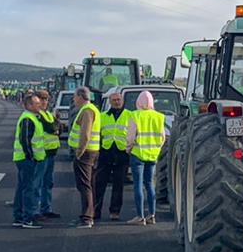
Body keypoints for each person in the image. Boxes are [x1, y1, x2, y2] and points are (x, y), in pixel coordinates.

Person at [125, 90, 169, 225]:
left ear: (138, 102)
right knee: (150, 184)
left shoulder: (135, 115)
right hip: (152, 156)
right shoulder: (159, 117)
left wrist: (129, 148)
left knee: (138, 185)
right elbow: (162, 137)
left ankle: (140, 217)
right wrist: (156, 149)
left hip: (138, 154)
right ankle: (152, 215)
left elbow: (131, 137)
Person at [94, 89, 132, 221]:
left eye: (119, 100)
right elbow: (97, 134)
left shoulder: (130, 116)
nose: (117, 102)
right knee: (99, 183)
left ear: (123, 101)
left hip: (122, 154)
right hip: (106, 152)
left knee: (118, 185)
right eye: (114, 100)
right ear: (110, 102)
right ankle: (95, 210)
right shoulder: (103, 116)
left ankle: (115, 212)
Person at [11, 93, 48, 228]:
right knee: (29, 188)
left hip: (25, 158)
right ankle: (28, 218)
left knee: (22, 187)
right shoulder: (28, 119)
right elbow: (25, 139)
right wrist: (31, 156)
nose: (40, 105)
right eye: (36, 103)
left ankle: (19, 216)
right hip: (27, 159)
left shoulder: (32, 117)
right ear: (29, 105)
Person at [69, 85, 101, 227]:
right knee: (89, 183)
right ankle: (89, 214)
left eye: (75, 96)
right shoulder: (92, 109)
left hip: (86, 152)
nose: (73, 99)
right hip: (92, 151)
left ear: (81, 97)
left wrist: (79, 152)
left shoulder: (87, 111)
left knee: (84, 184)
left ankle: (87, 217)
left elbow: (85, 134)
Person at [33, 90, 62, 221]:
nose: (45, 102)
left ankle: (46, 208)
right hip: (41, 154)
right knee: (37, 183)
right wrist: (55, 126)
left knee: (48, 183)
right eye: (42, 99)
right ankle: (35, 210)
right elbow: (51, 127)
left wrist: (56, 126)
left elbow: (58, 127)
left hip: (51, 153)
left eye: (46, 99)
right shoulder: (38, 115)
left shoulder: (48, 114)